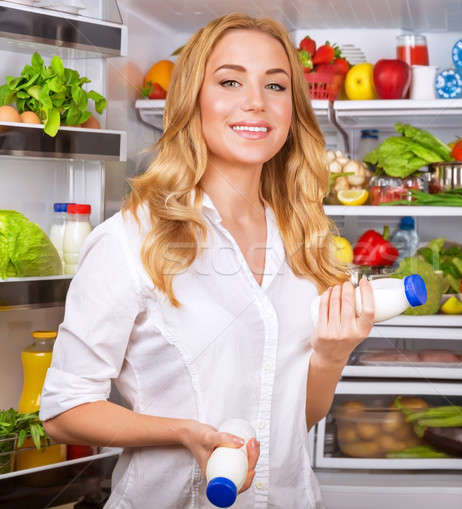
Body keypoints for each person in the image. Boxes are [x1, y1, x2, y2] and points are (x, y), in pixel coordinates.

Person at [40, 12, 374, 509]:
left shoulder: (303, 239)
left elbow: (290, 417)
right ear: (192, 99)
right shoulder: (130, 241)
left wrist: (331, 355)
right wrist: (183, 433)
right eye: (230, 81)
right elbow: (64, 411)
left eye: (275, 86)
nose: (255, 102)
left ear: (292, 110)